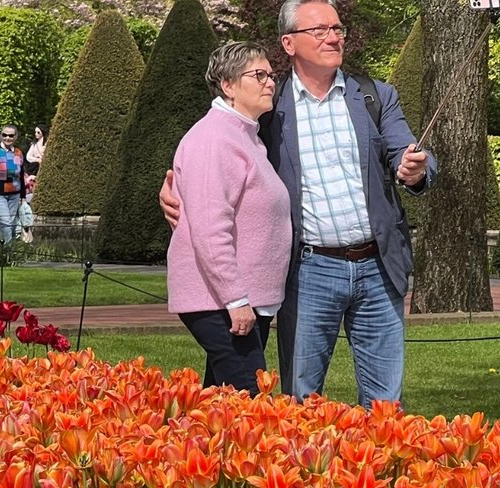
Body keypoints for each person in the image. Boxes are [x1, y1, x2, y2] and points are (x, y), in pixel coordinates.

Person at [159, 0, 436, 406]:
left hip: (378, 268)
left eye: (337, 28)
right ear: (288, 42)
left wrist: (416, 169)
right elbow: (211, 161)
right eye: (319, 29)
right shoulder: (268, 109)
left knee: (385, 407)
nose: (333, 36)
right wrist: (172, 190)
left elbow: (408, 153)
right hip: (310, 271)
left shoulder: (375, 96)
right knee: (297, 401)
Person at [167, 42, 290, 396]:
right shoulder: (213, 139)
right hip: (221, 303)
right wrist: (236, 300)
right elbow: (210, 229)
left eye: (271, 75)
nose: (270, 83)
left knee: (219, 409)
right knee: (250, 405)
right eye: (259, 75)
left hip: (242, 302)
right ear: (228, 85)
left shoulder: (246, 137)